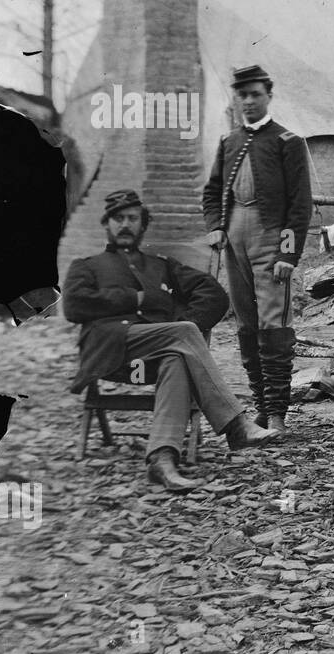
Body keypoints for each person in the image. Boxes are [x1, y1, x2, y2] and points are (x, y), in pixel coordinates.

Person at [63, 190, 279, 492]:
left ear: (142, 225)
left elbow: (213, 294)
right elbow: (74, 306)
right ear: (107, 224)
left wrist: (179, 322)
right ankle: (235, 425)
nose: (125, 224)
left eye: (132, 219)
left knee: (177, 357)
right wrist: (134, 297)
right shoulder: (87, 266)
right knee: (186, 334)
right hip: (109, 352)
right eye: (118, 218)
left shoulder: (162, 266)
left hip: (155, 354)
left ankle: (162, 460)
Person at [202, 64, 314, 436]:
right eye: (243, 95)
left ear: (269, 96)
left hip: (271, 239)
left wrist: (287, 255)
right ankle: (262, 409)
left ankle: (279, 413)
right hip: (235, 242)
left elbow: (300, 205)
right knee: (247, 324)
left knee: (274, 324)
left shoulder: (287, 141)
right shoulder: (229, 141)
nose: (248, 101)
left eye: (255, 95)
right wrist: (216, 227)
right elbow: (212, 190)